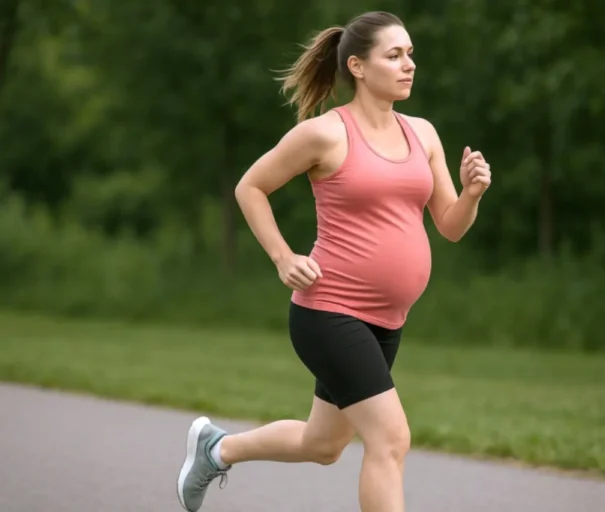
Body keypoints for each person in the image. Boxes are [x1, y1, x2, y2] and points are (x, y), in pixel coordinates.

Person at [176, 10, 491, 512]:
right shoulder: (326, 134)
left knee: (323, 445)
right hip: (329, 312)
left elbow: (450, 225)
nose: (409, 64)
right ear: (358, 67)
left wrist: (472, 192)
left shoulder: (423, 134)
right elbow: (250, 187)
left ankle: (218, 449)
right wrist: (283, 257)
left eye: (410, 53)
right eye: (394, 55)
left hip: (387, 321)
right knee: (390, 439)